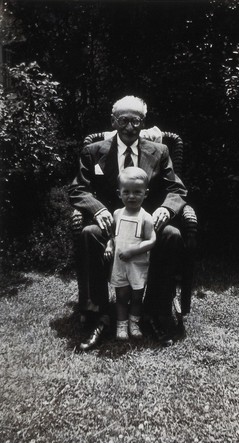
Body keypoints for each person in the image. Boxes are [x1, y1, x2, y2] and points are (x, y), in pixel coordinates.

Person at [69, 95, 188, 350]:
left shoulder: (159, 151)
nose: (130, 127)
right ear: (114, 121)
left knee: (172, 235)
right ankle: (98, 314)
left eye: (136, 121)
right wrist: (98, 209)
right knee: (88, 232)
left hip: (146, 224)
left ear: (143, 123)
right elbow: (78, 189)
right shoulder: (95, 150)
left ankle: (155, 312)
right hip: (110, 225)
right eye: (124, 120)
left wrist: (166, 209)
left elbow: (176, 189)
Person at [104, 167, 156, 341]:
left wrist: (134, 251)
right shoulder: (117, 214)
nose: (131, 196)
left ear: (146, 193)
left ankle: (134, 323)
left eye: (137, 192)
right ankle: (121, 324)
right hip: (120, 264)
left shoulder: (146, 217)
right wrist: (109, 247)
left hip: (137, 265)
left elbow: (151, 241)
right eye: (126, 192)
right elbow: (113, 236)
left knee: (136, 296)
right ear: (119, 193)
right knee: (121, 296)